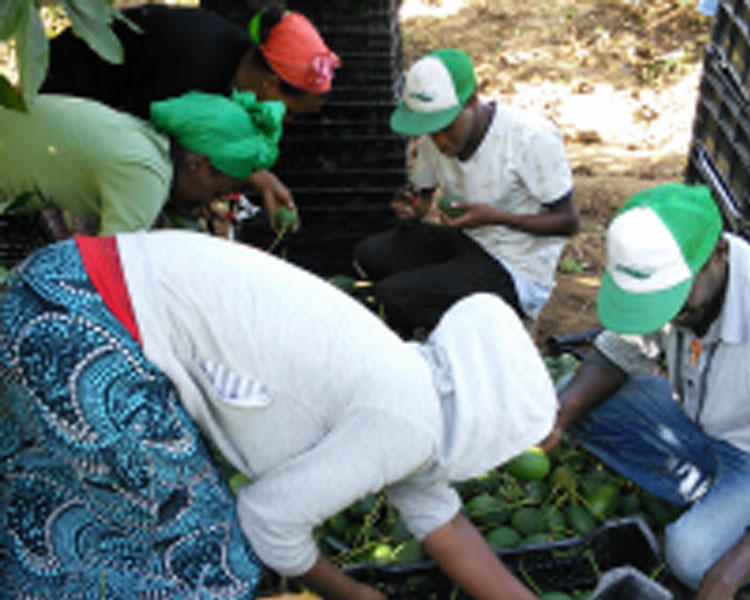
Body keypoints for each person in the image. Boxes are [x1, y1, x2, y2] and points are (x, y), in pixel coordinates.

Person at [0, 229, 557, 600]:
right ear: (486, 432)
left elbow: (449, 532)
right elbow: (267, 520)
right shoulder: (408, 422)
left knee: (54, 510)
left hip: (53, 291)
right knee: (214, 563)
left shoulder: (413, 392)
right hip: (88, 331)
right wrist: (353, 593)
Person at [541, 183, 750, 600]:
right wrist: (560, 418)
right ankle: (721, 502)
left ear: (720, 254)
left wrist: (735, 564)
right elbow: (620, 349)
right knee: (576, 401)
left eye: (677, 302)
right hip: (699, 428)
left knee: (692, 557)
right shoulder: (669, 278)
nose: (669, 316)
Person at [41, 2, 341, 229]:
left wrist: (259, 178)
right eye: (288, 111)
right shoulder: (195, 68)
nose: (285, 121)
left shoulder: (239, 66)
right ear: (270, 84)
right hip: (60, 103)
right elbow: (138, 137)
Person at [353, 48, 578, 337]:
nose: (440, 141)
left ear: (471, 101)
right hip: (467, 241)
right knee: (370, 255)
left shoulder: (529, 138)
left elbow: (568, 222)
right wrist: (413, 208)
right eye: (432, 131)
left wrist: (496, 217)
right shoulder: (434, 139)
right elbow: (422, 198)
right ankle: (440, 317)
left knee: (393, 298)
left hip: (516, 267)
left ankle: (498, 325)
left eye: (447, 128)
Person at [0, 89, 284, 253]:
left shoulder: (139, 137)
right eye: (218, 191)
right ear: (198, 164)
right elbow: (98, 276)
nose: (210, 203)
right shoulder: (146, 177)